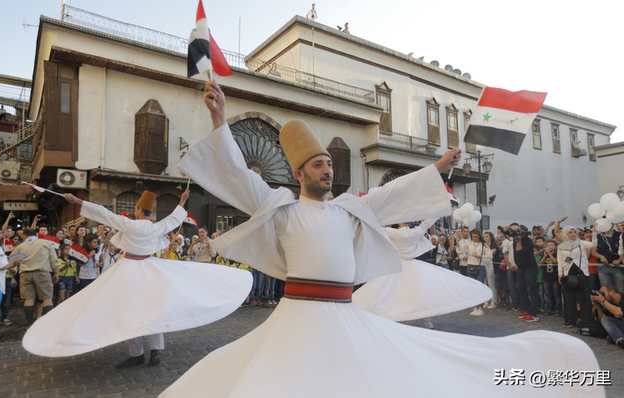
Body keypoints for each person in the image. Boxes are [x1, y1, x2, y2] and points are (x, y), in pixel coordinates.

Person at [160, 80, 602, 397]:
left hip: (345, 314)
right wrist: (219, 118)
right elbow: (237, 176)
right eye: (316, 165)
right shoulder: (281, 207)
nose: (326, 169)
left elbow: (390, 195)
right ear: (297, 174)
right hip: (296, 318)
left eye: (328, 163)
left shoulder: (349, 208)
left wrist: (437, 169)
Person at [22, 188, 251, 367]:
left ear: (139, 210)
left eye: (136, 210)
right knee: (152, 310)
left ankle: (136, 354)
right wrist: (182, 200)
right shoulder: (156, 227)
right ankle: (154, 351)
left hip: (130, 269)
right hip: (149, 268)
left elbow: (104, 214)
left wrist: (78, 201)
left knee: (131, 311)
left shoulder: (129, 224)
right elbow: (173, 219)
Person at [353, 221, 490, 325]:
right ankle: (426, 320)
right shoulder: (414, 232)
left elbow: (374, 224)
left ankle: (400, 318)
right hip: (412, 265)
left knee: (394, 292)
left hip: (398, 266)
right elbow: (427, 223)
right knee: (418, 292)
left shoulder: (391, 232)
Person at [9, 229, 59, 326]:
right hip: (42, 273)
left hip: (25, 274)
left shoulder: (21, 246)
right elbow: (54, 259)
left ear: (24, 235)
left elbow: (12, 261)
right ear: (37, 234)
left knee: (29, 299)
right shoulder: (45, 243)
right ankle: (45, 324)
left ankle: (29, 324)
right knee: (47, 298)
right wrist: (56, 272)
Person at [558, 225, 597, 328]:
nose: (572, 234)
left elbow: (593, 244)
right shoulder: (561, 246)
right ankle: (570, 320)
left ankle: (586, 320)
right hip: (568, 272)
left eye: (574, 232)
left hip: (581, 272)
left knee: (584, 297)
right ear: (566, 233)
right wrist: (560, 274)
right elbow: (560, 261)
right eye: (570, 232)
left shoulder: (581, 243)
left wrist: (594, 233)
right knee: (569, 297)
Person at [464, 228, 490, 316]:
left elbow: (489, 256)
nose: (475, 238)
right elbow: (461, 251)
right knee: (472, 287)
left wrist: (481, 256)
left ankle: (480, 307)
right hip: (470, 265)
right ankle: (475, 307)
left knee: (480, 286)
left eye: (476, 237)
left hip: (480, 266)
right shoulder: (469, 243)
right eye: (473, 237)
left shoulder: (484, 245)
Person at [593, 224, 624, 294]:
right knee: (606, 292)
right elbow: (594, 252)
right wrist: (601, 257)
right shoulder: (598, 236)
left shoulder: (620, 235)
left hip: (618, 267)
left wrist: (620, 260)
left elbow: (622, 250)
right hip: (603, 268)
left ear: (613, 224)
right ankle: (606, 305)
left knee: (620, 291)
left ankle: (621, 305)